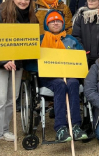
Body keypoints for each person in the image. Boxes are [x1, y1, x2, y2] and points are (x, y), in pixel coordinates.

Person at [0, 0, 39, 153]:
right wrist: (3, 60)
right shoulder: (1, 13)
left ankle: (4, 130)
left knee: (12, 97)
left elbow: (31, 41)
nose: (23, 2)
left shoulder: (31, 17)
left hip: (18, 63)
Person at [36, 10, 87, 142]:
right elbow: (33, 60)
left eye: (58, 20)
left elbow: (81, 57)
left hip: (69, 75)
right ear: (47, 24)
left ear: (63, 23)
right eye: (52, 21)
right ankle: (61, 128)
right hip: (49, 78)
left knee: (73, 83)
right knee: (59, 84)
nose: (55, 23)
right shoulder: (41, 40)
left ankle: (75, 126)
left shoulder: (71, 40)